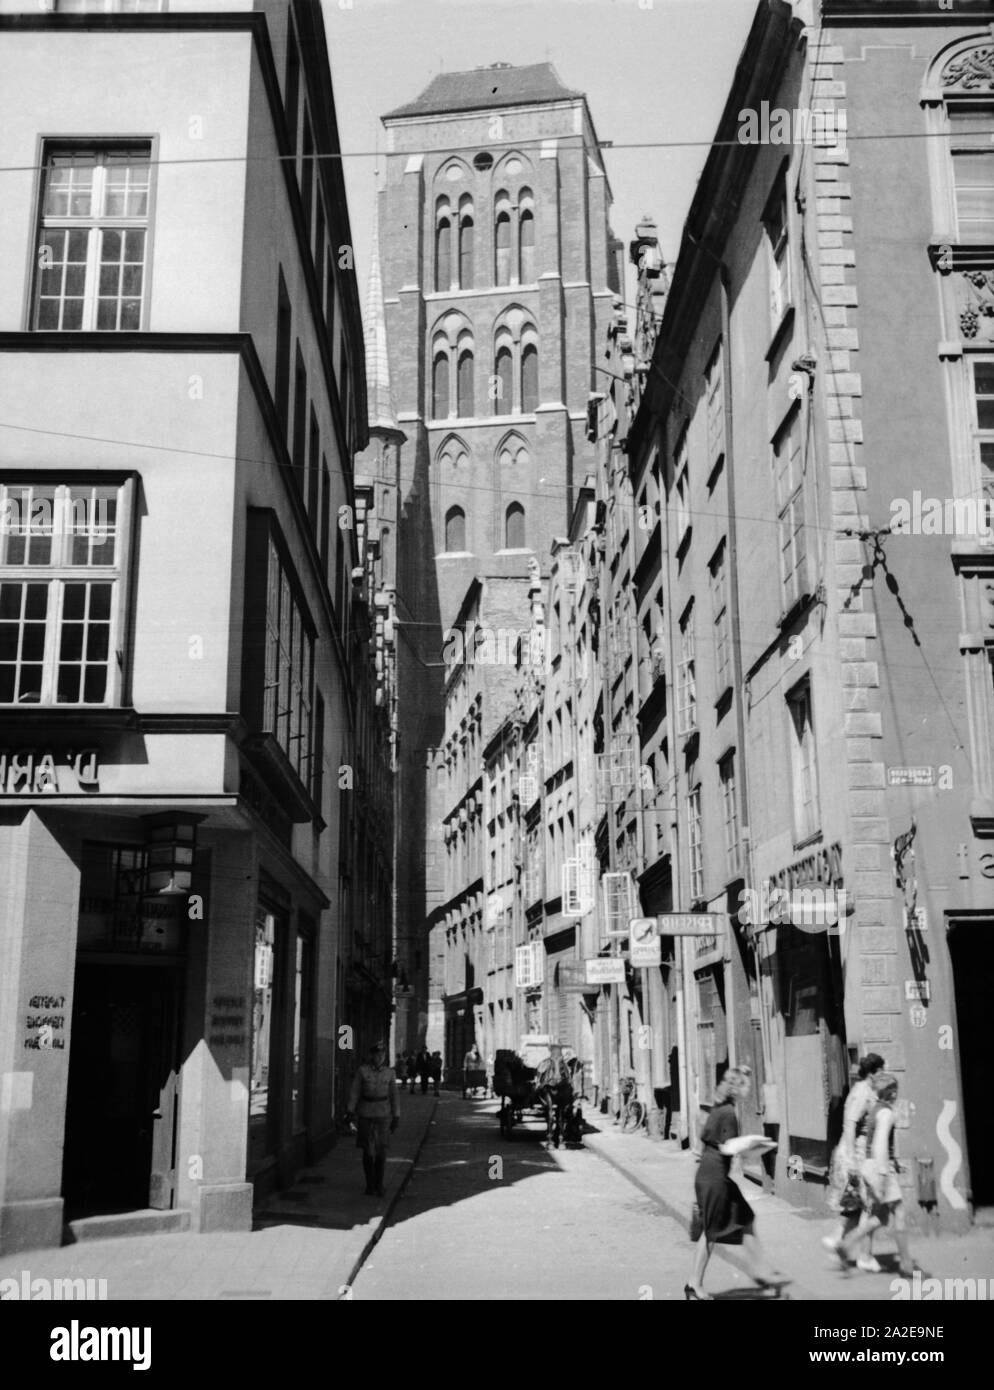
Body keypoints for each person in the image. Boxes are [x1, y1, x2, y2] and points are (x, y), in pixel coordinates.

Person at [685, 1065, 785, 1300]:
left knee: (746, 1218)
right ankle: (694, 1285)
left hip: (713, 1175)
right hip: (715, 1178)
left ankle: (763, 1274)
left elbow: (711, 1145)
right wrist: (755, 1143)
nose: (749, 1088)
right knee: (710, 1233)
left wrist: (753, 1146)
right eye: (746, 1085)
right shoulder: (728, 1112)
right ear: (737, 1088)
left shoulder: (719, 1108)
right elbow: (728, 1148)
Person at [828, 1073, 922, 1277]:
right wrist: (883, 1172)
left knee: (879, 1215)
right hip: (879, 1168)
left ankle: (846, 1244)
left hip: (869, 1165)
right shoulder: (887, 1113)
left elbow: (874, 1141)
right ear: (893, 1092)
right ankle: (906, 1265)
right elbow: (880, 1143)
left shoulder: (875, 1110)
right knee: (898, 1214)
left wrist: (891, 1163)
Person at [824, 1053, 885, 1271]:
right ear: (872, 1072)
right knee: (870, 1205)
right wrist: (852, 1159)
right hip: (856, 1154)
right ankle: (864, 1255)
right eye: (880, 1071)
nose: (883, 1075)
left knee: (858, 1205)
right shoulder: (862, 1092)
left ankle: (837, 1239)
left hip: (858, 1154)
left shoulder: (866, 1090)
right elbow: (850, 1125)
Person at [346, 1039, 399, 1197]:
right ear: (372, 1056)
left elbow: (394, 1096)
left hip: (383, 1114)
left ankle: (379, 1184)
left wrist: (396, 1116)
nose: (380, 1057)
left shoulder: (390, 1073)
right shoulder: (363, 1071)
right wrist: (350, 1111)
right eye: (377, 1054)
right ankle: (369, 1185)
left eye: (382, 1054)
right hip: (366, 1114)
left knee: (381, 1151)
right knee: (367, 1151)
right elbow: (355, 1092)